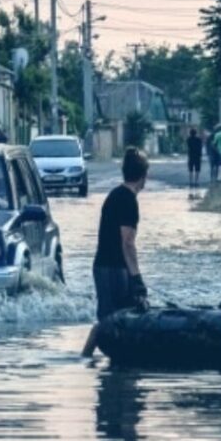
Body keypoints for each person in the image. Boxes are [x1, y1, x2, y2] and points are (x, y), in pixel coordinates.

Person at [82, 148, 150, 357]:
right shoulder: (129, 200)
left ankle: (96, 360)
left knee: (114, 319)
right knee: (112, 321)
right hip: (113, 269)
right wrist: (137, 279)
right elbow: (127, 243)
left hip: (105, 266)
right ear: (143, 176)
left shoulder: (115, 195)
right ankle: (85, 358)